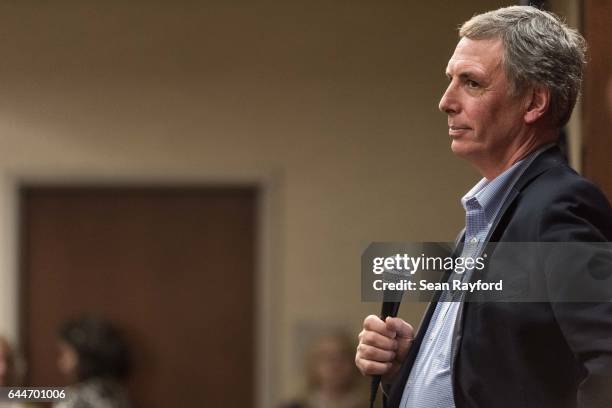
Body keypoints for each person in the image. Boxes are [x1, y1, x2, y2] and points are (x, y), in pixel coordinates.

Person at [355, 5, 612, 408]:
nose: (445, 101)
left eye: (471, 83)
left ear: (534, 103)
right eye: (450, 81)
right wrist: (411, 365)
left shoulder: (558, 206)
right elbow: (508, 366)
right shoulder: (485, 218)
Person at [54, 316, 131, 408]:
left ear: (85, 358)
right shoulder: (119, 392)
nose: (61, 363)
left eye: (65, 354)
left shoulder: (74, 398)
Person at [282, 331, 368, 408]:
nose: (335, 364)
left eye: (342, 356)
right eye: (326, 357)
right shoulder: (294, 406)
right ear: (313, 364)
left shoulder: (371, 404)